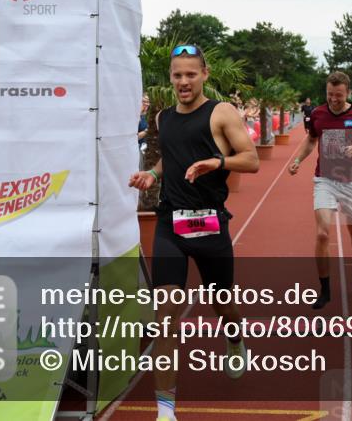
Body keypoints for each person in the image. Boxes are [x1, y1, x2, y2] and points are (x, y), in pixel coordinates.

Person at [127, 44, 259, 421]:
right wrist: (152, 173)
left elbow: (250, 160)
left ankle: (234, 338)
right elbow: (171, 154)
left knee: (223, 303)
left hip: (210, 222)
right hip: (171, 224)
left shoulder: (221, 112)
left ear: (205, 74)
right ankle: (165, 410)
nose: (183, 81)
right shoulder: (163, 118)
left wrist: (215, 163)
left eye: (190, 74)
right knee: (164, 316)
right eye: (177, 75)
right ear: (171, 78)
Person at [288, 71, 352, 310]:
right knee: (322, 234)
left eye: (339, 96)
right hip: (325, 180)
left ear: (348, 93)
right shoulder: (318, 114)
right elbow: (311, 139)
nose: (333, 100)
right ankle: (325, 290)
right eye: (330, 95)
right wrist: (297, 159)